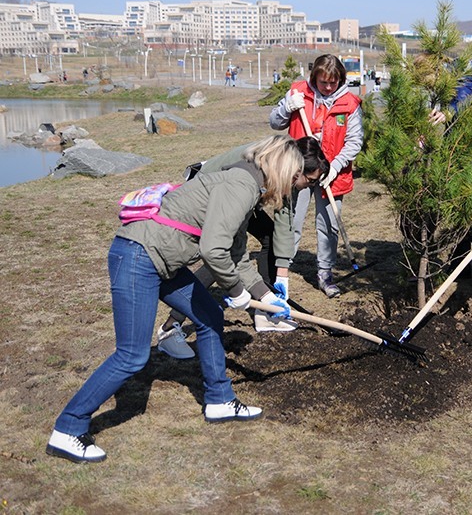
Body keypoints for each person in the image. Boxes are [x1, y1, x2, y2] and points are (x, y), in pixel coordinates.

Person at [46, 135, 304, 463]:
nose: (294, 184)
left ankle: (219, 400)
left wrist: (267, 297)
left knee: (209, 316)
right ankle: (68, 428)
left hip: (159, 260)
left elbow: (236, 257)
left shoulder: (245, 187)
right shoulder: (240, 185)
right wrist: (236, 292)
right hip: (140, 257)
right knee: (132, 356)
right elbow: (213, 250)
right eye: (295, 176)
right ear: (283, 169)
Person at [156, 137, 329, 359]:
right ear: (297, 170)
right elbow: (220, 248)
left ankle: (265, 311)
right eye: (311, 181)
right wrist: (244, 290)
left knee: (266, 236)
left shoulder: (288, 170)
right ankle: (171, 326)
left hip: (243, 194)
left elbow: (284, 222)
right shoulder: (266, 169)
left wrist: (280, 282)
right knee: (220, 254)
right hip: (212, 192)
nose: (310, 187)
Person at [269, 54, 363, 298]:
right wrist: (285, 108)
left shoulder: (350, 104)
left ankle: (325, 273)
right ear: (315, 78)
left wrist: (335, 166)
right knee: (291, 222)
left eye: (333, 82)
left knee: (328, 226)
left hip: (331, 174)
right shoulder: (298, 93)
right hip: (296, 172)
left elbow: (355, 140)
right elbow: (275, 122)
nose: (328, 87)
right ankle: (281, 271)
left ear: (341, 79)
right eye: (323, 82)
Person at [427, 58, 472, 287]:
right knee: (460, 207)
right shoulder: (454, 85)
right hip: (463, 148)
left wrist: (447, 113)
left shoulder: (466, 84)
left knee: (464, 208)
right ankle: (460, 264)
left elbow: (463, 102)